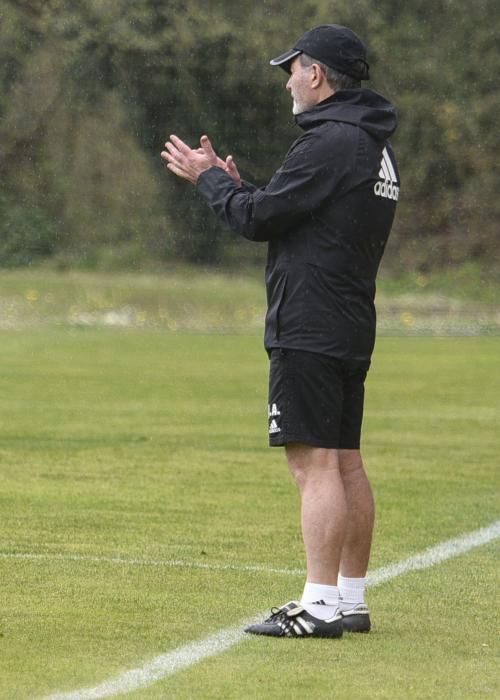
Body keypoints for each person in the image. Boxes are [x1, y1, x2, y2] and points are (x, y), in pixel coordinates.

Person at [161, 23, 400, 639]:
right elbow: (300, 217)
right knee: (344, 461)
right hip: (347, 320)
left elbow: (260, 221)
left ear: (315, 73)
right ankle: (349, 598)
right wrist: (239, 187)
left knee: (313, 464)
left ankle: (318, 604)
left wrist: (209, 180)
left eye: (291, 69)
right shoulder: (370, 143)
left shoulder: (330, 140)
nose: (288, 82)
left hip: (310, 322)